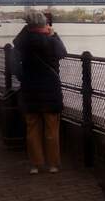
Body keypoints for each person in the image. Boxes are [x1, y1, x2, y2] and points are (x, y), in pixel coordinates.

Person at [12, 10, 68, 175]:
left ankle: (35, 165)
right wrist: (54, 34)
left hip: (29, 89)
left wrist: (23, 77)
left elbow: (13, 64)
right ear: (44, 24)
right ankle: (53, 164)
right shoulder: (51, 41)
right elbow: (63, 53)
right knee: (51, 129)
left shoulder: (22, 42)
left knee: (32, 129)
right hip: (50, 90)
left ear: (28, 25)